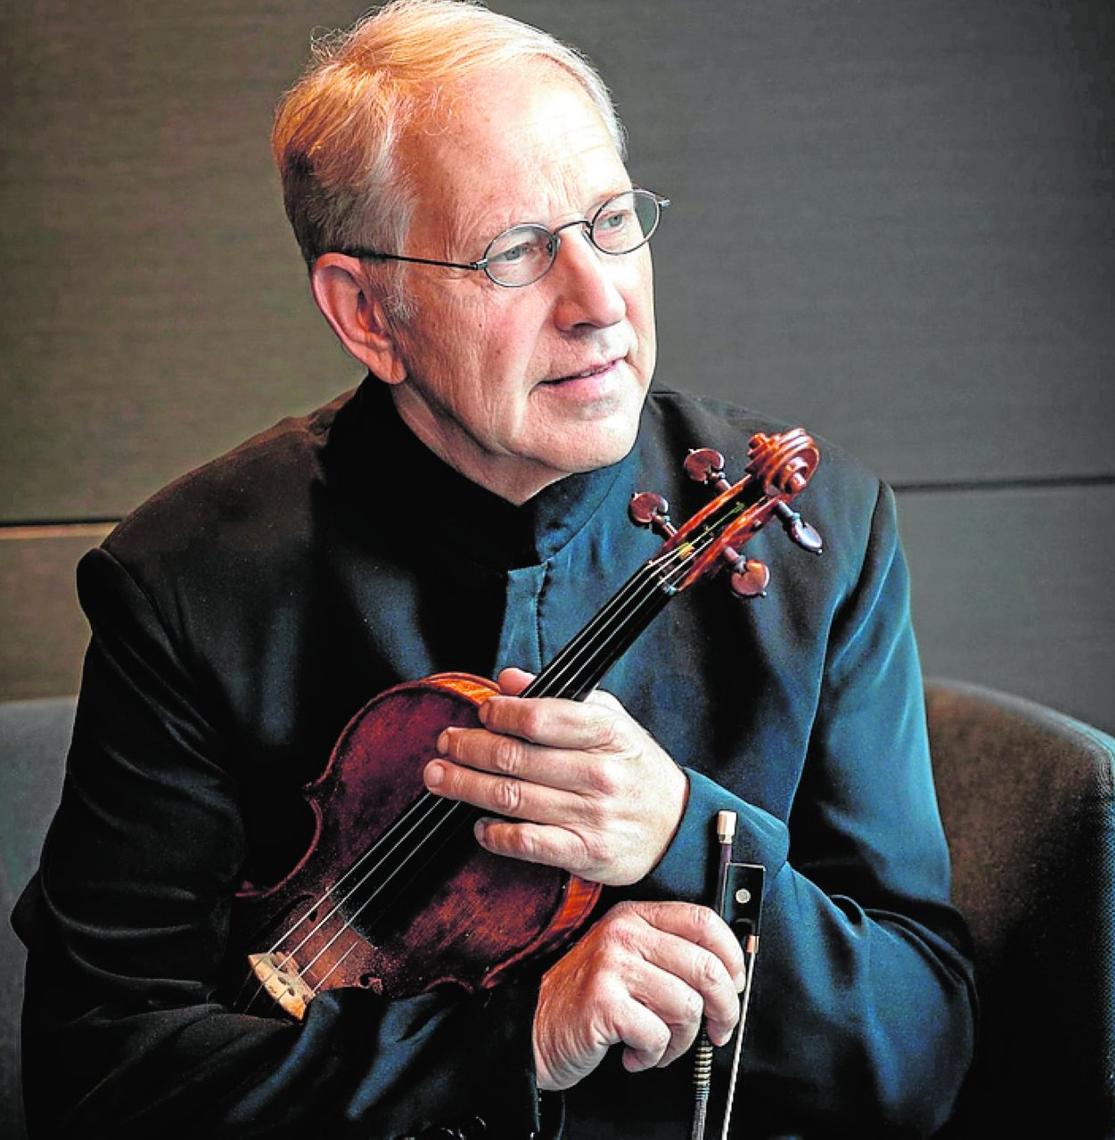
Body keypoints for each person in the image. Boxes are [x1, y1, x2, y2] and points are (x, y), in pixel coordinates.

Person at [12, 2, 975, 1136]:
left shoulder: (824, 535)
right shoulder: (188, 582)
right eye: (514, 251)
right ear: (369, 313)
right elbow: (96, 1070)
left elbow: (918, 1049)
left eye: (613, 220)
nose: (599, 301)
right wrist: (506, 1043)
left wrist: (678, 834)